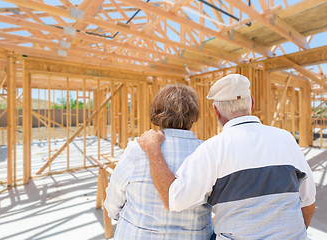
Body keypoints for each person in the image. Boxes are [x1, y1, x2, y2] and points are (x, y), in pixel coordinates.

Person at [137, 74, 316, 240]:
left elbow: (173, 200)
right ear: (251, 103)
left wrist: (153, 150)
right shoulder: (286, 139)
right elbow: (307, 202)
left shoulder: (212, 149)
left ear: (216, 111)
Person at [104, 84, 213, 239]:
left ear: (157, 112)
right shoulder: (208, 152)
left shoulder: (137, 149)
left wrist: (122, 218)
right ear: (194, 114)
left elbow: (114, 199)